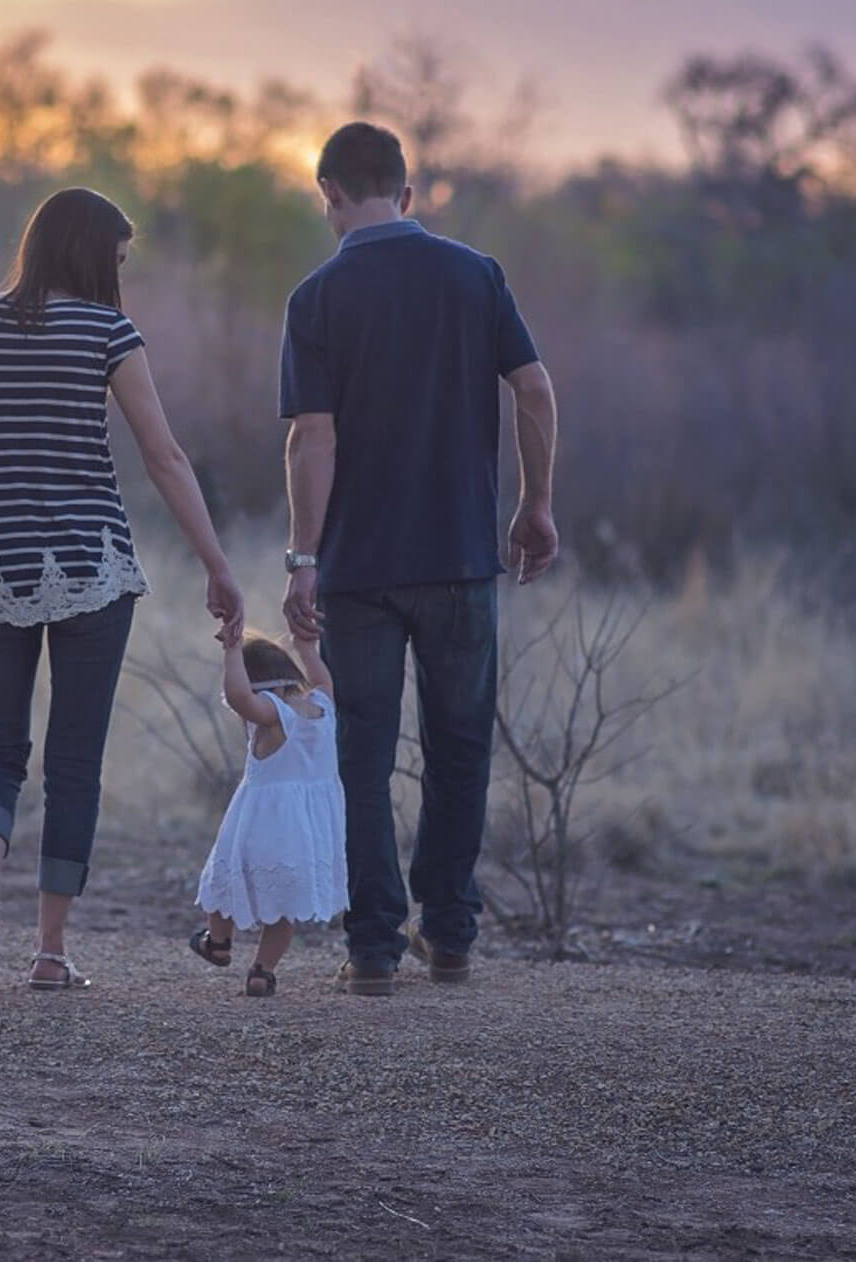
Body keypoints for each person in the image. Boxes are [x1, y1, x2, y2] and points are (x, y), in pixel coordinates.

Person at [0, 187, 244, 991]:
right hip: (92, 566)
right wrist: (217, 564)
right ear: (93, 255)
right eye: (118, 260)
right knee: (75, 764)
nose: (120, 276)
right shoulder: (108, 332)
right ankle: (51, 952)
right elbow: (164, 458)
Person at [278, 123, 560, 996]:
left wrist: (301, 557)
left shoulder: (317, 297)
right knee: (460, 747)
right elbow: (535, 388)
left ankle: (371, 948)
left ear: (327, 193)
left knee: (362, 755)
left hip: (359, 569)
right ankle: (450, 934)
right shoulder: (476, 276)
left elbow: (310, 438)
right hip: (462, 559)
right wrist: (535, 503)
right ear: (407, 192)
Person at [188, 629, 348, 997]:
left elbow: (239, 696)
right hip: (307, 831)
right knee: (282, 908)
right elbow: (322, 678)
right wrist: (306, 648)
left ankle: (218, 942)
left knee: (223, 883)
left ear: (262, 687)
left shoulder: (274, 714)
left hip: (262, 824)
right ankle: (262, 972)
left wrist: (231, 652)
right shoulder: (323, 706)